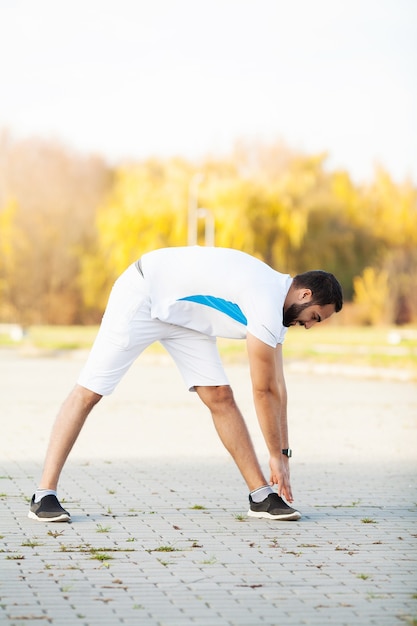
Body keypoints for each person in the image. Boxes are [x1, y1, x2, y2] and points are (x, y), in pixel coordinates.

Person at [28, 246, 343, 523]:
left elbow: (279, 387)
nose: (310, 326)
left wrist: (284, 452)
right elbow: (263, 390)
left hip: (185, 317)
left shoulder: (279, 311)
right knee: (89, 392)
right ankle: (43, 496)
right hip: (143, 295)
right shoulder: (265, 298)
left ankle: (261, 497)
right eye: (316, 317)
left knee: (220, 396)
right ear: (305, 295)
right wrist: (274, 454)